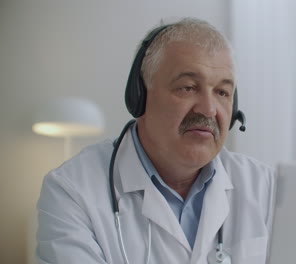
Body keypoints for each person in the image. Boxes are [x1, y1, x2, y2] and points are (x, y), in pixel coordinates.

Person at [36, 18, 276, 264]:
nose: (208, 109)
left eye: (222, 92)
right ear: (139, 96)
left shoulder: (266, 188)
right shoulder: (71, 190)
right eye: (188, 87)